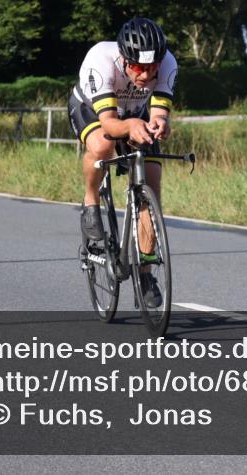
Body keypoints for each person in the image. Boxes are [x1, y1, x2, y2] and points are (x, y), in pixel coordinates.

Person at [67, 17, 177, 308]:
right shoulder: (100, 60)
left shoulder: (168, 63)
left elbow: (158, 112)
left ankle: (145, 273)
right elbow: (110, 124)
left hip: (135, 113)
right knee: (103, 144)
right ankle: (91, 201)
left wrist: (160, 124)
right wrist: (129, 128)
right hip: (92, 110)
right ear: (125, 59)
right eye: (139, 68)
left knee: (151, 180)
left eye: (152, 68)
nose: (145, 74)